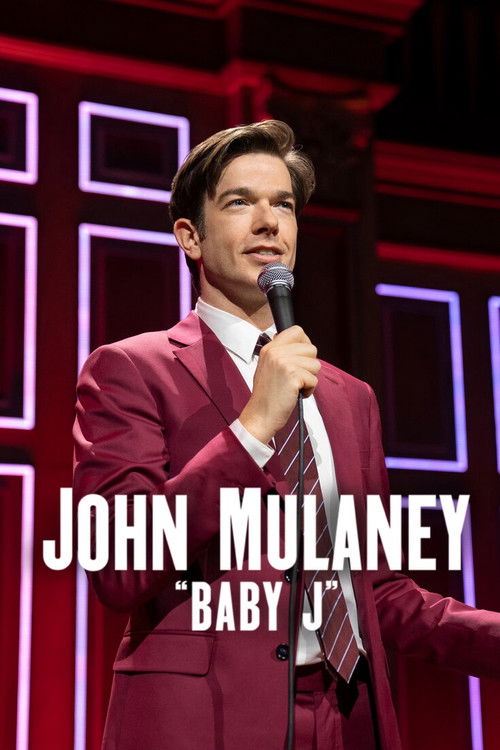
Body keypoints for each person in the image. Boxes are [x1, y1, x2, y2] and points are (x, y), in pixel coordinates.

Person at [73, 120, 500, 750]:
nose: (269, 222)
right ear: (190, 236)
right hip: (204, 723)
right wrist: (252, 429)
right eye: (239, 202)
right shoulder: (130, 369)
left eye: (285, 205)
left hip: (344, 716)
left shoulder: (350, 397)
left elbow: (375, 591)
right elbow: (118, 564)